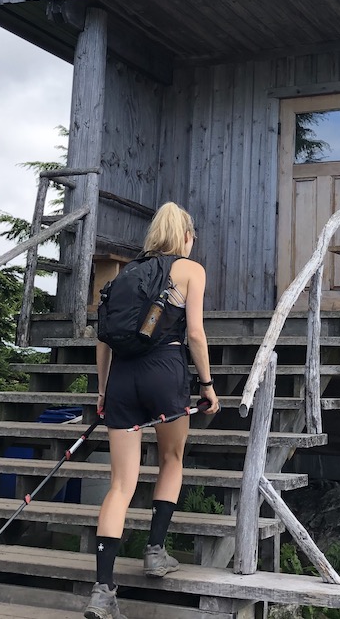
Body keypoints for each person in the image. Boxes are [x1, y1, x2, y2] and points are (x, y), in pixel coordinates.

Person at [85, 202, 220, 619]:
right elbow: (195, 333)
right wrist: (208, 385)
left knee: (120, 484)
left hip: (122, 378)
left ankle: (103, 592)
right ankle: (155, 552)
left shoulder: (125, 274)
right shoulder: (189, 269)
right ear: (186, 236)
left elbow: (104, 339)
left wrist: (104, 390)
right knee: (171, 458)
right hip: (165, 370)